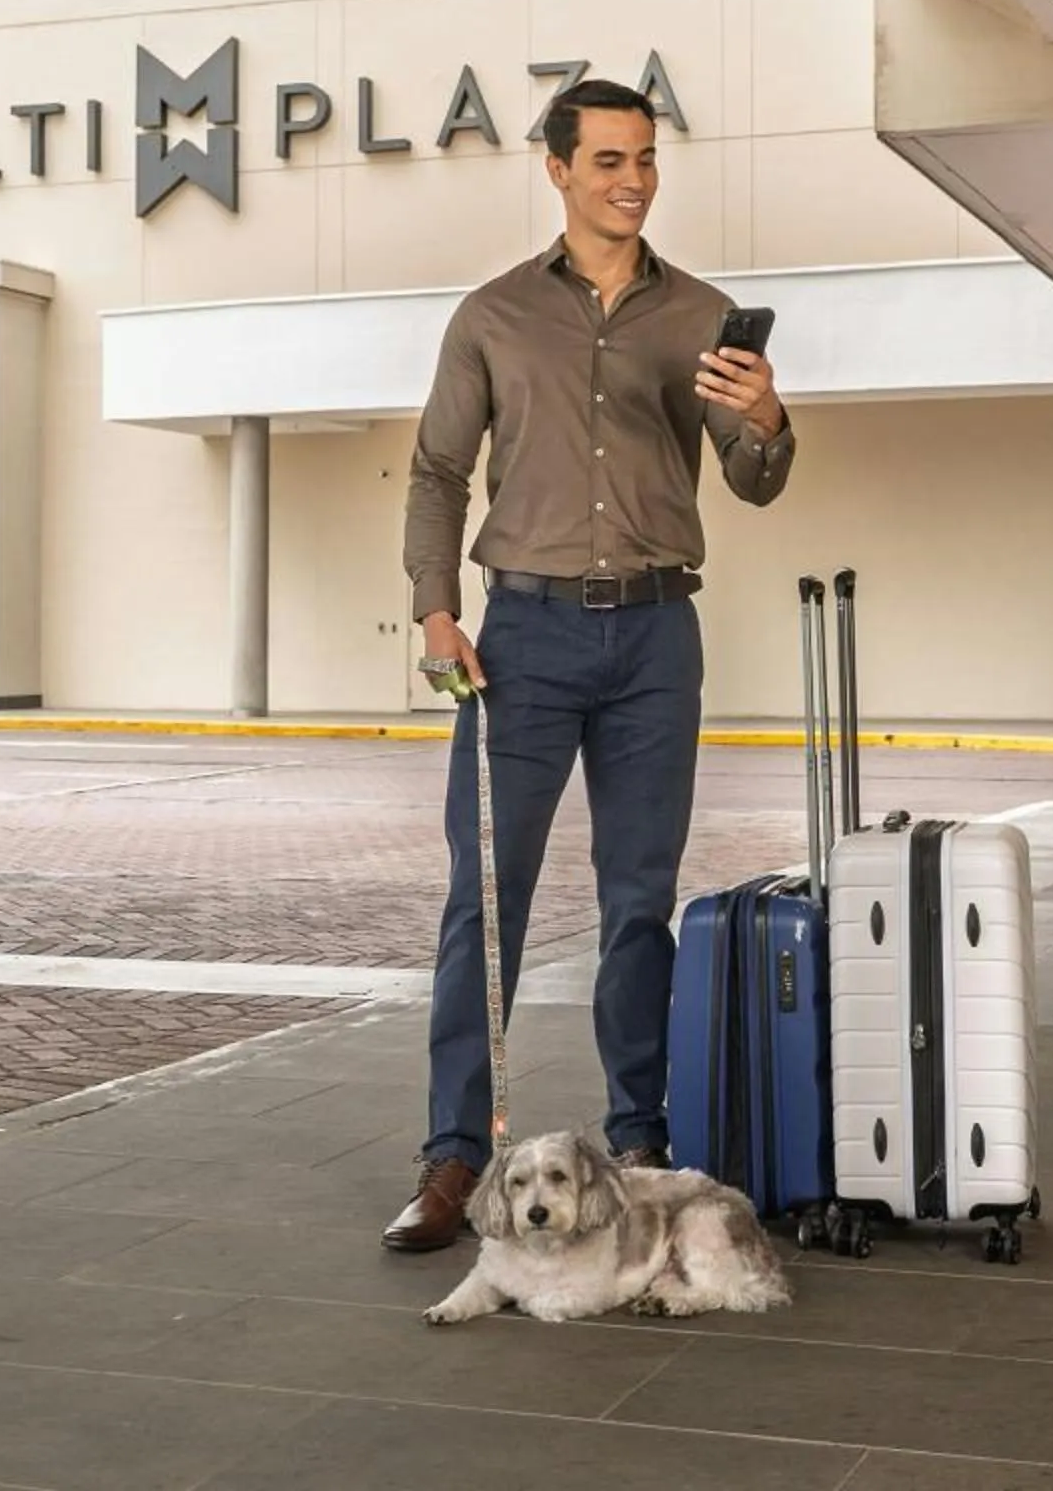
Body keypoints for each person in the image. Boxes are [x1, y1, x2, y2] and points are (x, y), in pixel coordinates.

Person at [381, 75, 797, 1252]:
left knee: (637, 902)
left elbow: (757, 479)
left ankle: (642, 1141)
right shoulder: (495, 316)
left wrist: (765, 415)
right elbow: (436, 473)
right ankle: (454, 1156)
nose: (632, 179)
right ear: (558, 167)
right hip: (523, 637)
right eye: (608, 159)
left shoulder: (699, 314)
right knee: (487, 900)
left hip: (660, 632)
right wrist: (435, 609)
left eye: (645, 159)